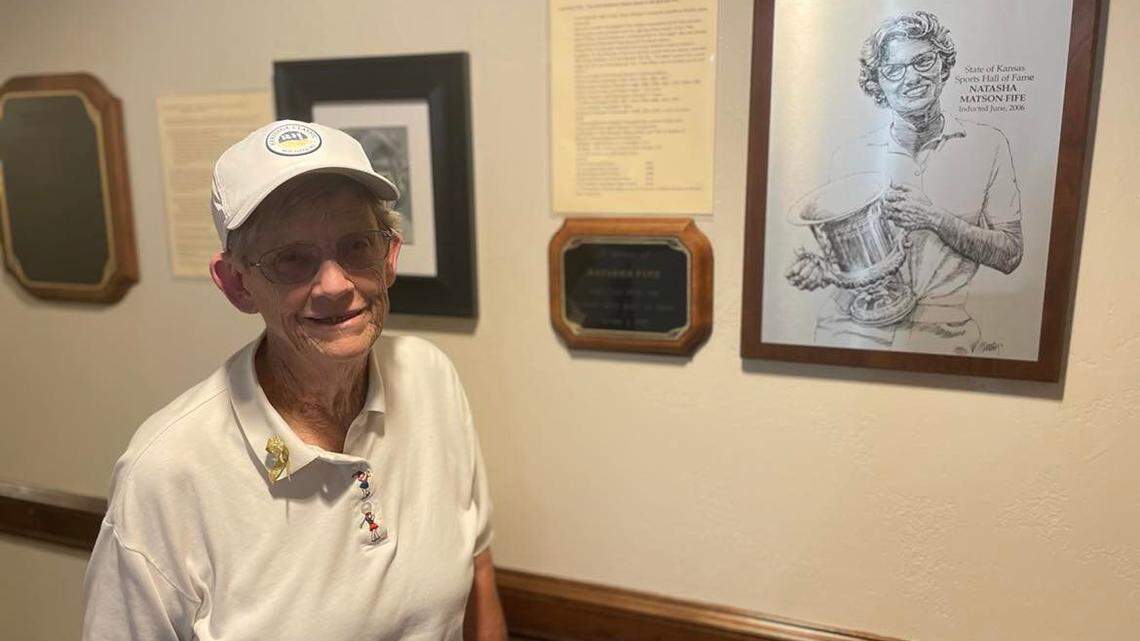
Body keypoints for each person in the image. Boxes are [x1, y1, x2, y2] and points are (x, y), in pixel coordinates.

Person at [82, 120, 507, 641]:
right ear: (236, 284)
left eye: (356, 246)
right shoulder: (166, 475)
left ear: (390, 255)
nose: (335, 285)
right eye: (292, 260)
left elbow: (478, 571)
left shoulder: (429, 379)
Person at [785, 11, 1024, 355]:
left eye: (923, 61)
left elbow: (1011, 255)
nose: (911, 77)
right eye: (894, 69)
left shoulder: (989, 144)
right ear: (877, 83)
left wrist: (935, 219)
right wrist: (820, 269)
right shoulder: (849, 154)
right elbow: (847, 261)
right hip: (847, 332)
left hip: (943, 336)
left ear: (943, 66)